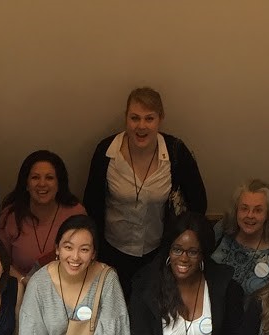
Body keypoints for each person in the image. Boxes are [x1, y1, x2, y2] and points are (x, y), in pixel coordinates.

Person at [83, 87, 207, 288]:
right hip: (111, 251)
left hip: (158, 252)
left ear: (160, 118)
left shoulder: (176, 152)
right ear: (126, 118)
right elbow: (91, 204)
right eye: (135, 118)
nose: (141, 126)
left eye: (149, 119)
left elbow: (198, 203)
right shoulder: (106, 152)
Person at [128, 213, 246, 335]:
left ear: (203, 255)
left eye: (192, 252)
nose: (183, 258)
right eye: (177, 250)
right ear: (169, 251)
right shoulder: (145, 289)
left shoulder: (225, 288)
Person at [17, 215, 131, 335]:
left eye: (84, 249)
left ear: (93, 253)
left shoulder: (107, 279)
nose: (75, 257)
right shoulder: (39, 282)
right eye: (68, 247)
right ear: (57, 248)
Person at [0, 150, 88, 276]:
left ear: (59, 183)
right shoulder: (10, 216)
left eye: (49, 178)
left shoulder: (76, 213)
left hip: (67, 288)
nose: (42, 184)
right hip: (21, 288)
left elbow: (85, 258)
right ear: (26, 184)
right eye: (35, 177)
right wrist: (24, 283)